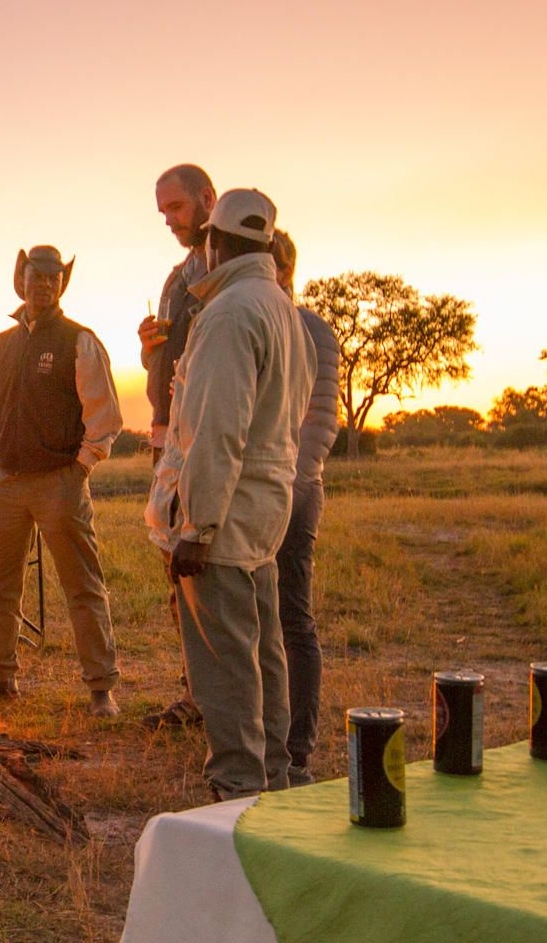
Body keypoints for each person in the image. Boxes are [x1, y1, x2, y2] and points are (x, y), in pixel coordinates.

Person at [146, 189, 315, 799]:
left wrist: (196, 526)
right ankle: (275, 773)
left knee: (224, 661)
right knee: (263, 650)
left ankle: (238, 785)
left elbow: (216, 429)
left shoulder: (227, 313)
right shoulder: (279, 306)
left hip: (224, 512)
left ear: (215, 241)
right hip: (266, 505)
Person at [0, 245, 124, 717]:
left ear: (61, 286)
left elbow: (104, 414)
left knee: (82, 585)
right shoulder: (1, 345)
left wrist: (81, 466)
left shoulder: (79, 340)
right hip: (7, 481)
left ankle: (100, 687)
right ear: (21, 280)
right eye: (37, 276)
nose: (45, 285)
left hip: (59, 480)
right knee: (1, 583)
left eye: (54, 279)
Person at [138, 164, 217, 731]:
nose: (167, 219)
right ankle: (196, 694)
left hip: (205, 437)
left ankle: (221, 699)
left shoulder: (230, 270)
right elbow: (166, 359)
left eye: (176, 208)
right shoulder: (175, 278)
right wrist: (149, 349)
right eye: (162, 210)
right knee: (178, 574)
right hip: (167, 436)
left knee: (213, 568)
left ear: (207, 199)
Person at [274, 230, 343, 787]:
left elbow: (321, 420)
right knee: (260, 620)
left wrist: (290, 484)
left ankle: (297, 749)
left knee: (292, 618)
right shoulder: (263, 320)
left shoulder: (310, 330)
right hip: (266, 487)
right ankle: (269, 741)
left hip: (292, 489)